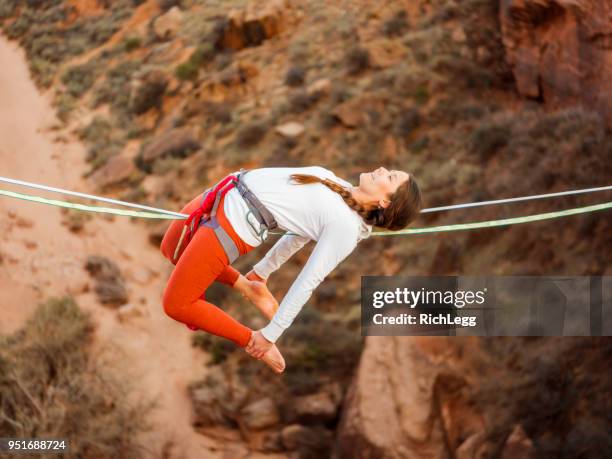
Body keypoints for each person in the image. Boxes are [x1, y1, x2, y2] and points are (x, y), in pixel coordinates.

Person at [159, 166, 422, 374]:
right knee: (172, 249)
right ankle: (247, 286)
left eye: (390, 176)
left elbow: (308, 281)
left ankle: (248, 338)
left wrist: (270, 335)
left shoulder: (346, 228)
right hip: (226, 190)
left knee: (176, 305)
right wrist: (262, 272)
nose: (382, 169)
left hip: (232, 224)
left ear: (386, 202)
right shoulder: (341, 187)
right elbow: (298, 234)